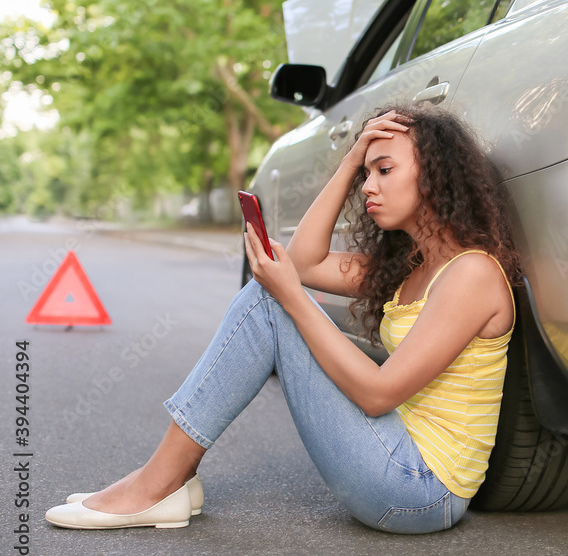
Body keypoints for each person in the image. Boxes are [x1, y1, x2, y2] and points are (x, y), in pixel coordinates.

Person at [45, 105, 519, 534]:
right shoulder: (409, 269)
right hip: (396, 457)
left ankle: (157, 482)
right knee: (271, 296)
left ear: (435, 176)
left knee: (272, 302)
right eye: (366, 173)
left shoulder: (471, 274)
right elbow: (306, 263)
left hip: (420, 489)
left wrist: (291, 295)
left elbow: (378, 394)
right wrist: (348, 162)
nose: (369, 186)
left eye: (385, 169)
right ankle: (169, 478)